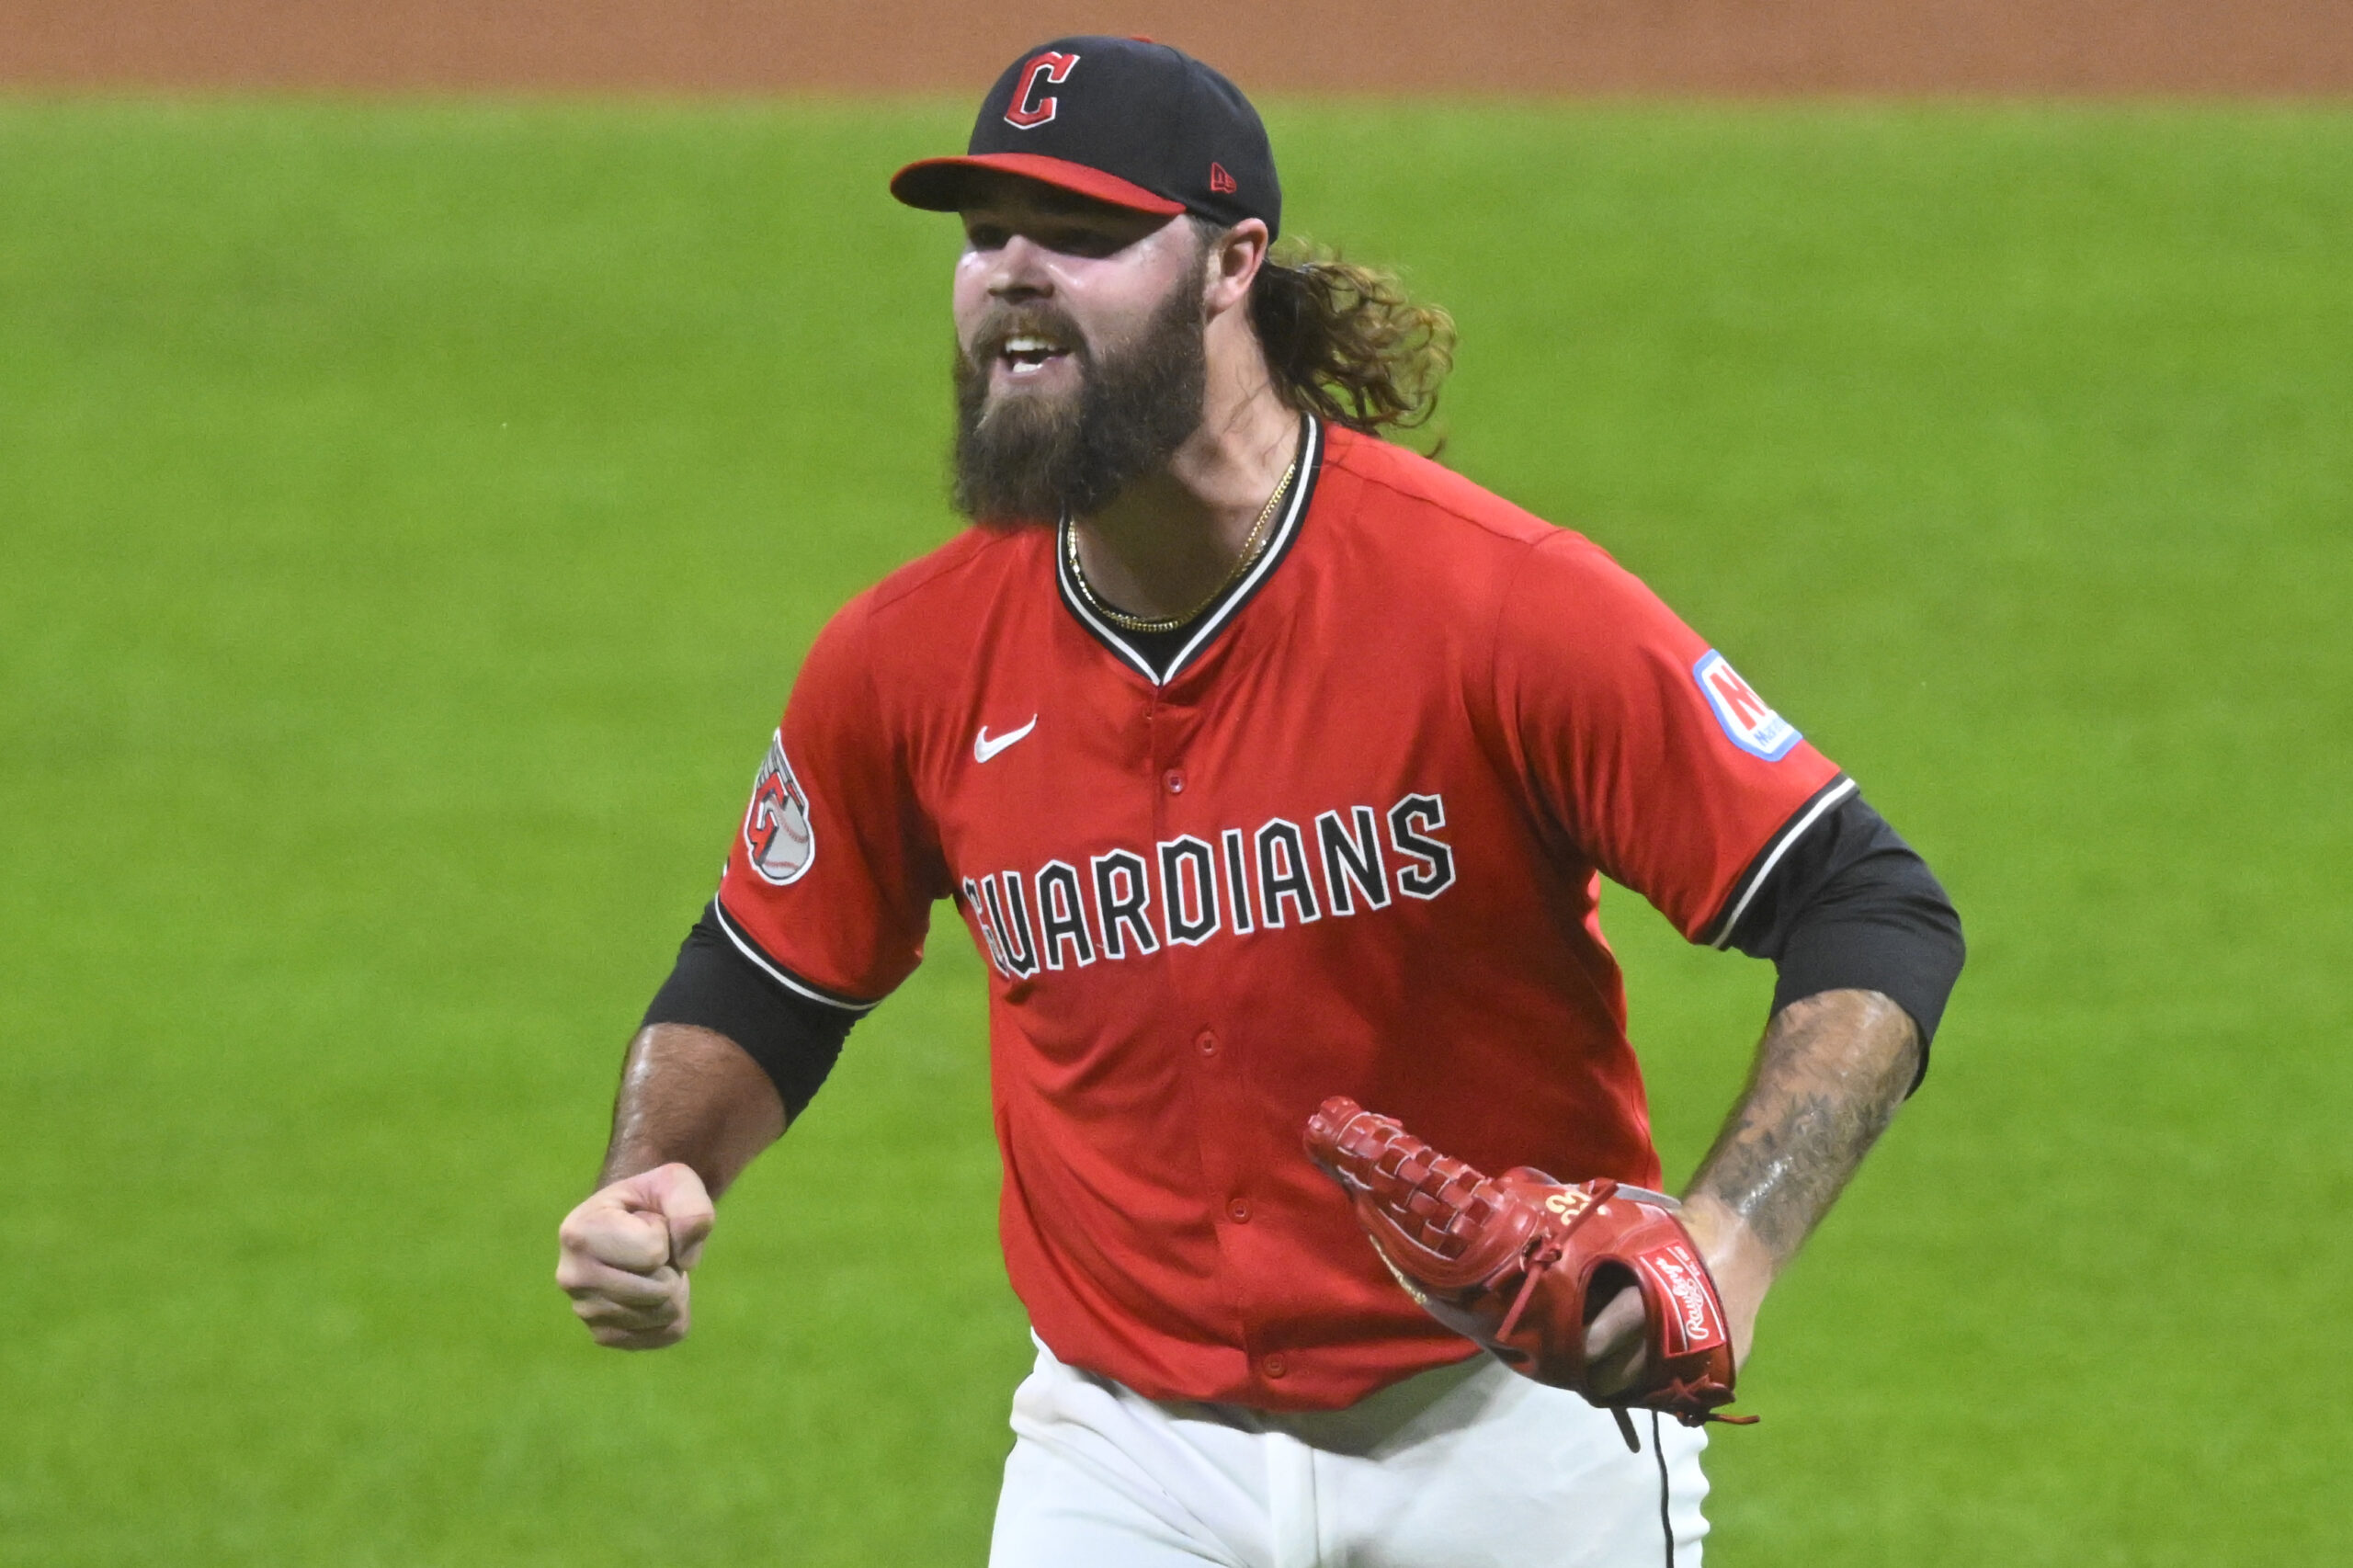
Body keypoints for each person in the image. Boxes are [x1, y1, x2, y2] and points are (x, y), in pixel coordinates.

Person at [554, 36, 1963, 1566]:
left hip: (1510, 1440)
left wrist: (1722, 1246)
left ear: (1232, 265)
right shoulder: (905, 661)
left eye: (1082, 235)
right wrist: (656, 1175)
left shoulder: (1496, 606)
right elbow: (763, 981)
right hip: (1124, 1456)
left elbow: (1868, 905)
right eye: (983, 236)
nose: (1011, 276)